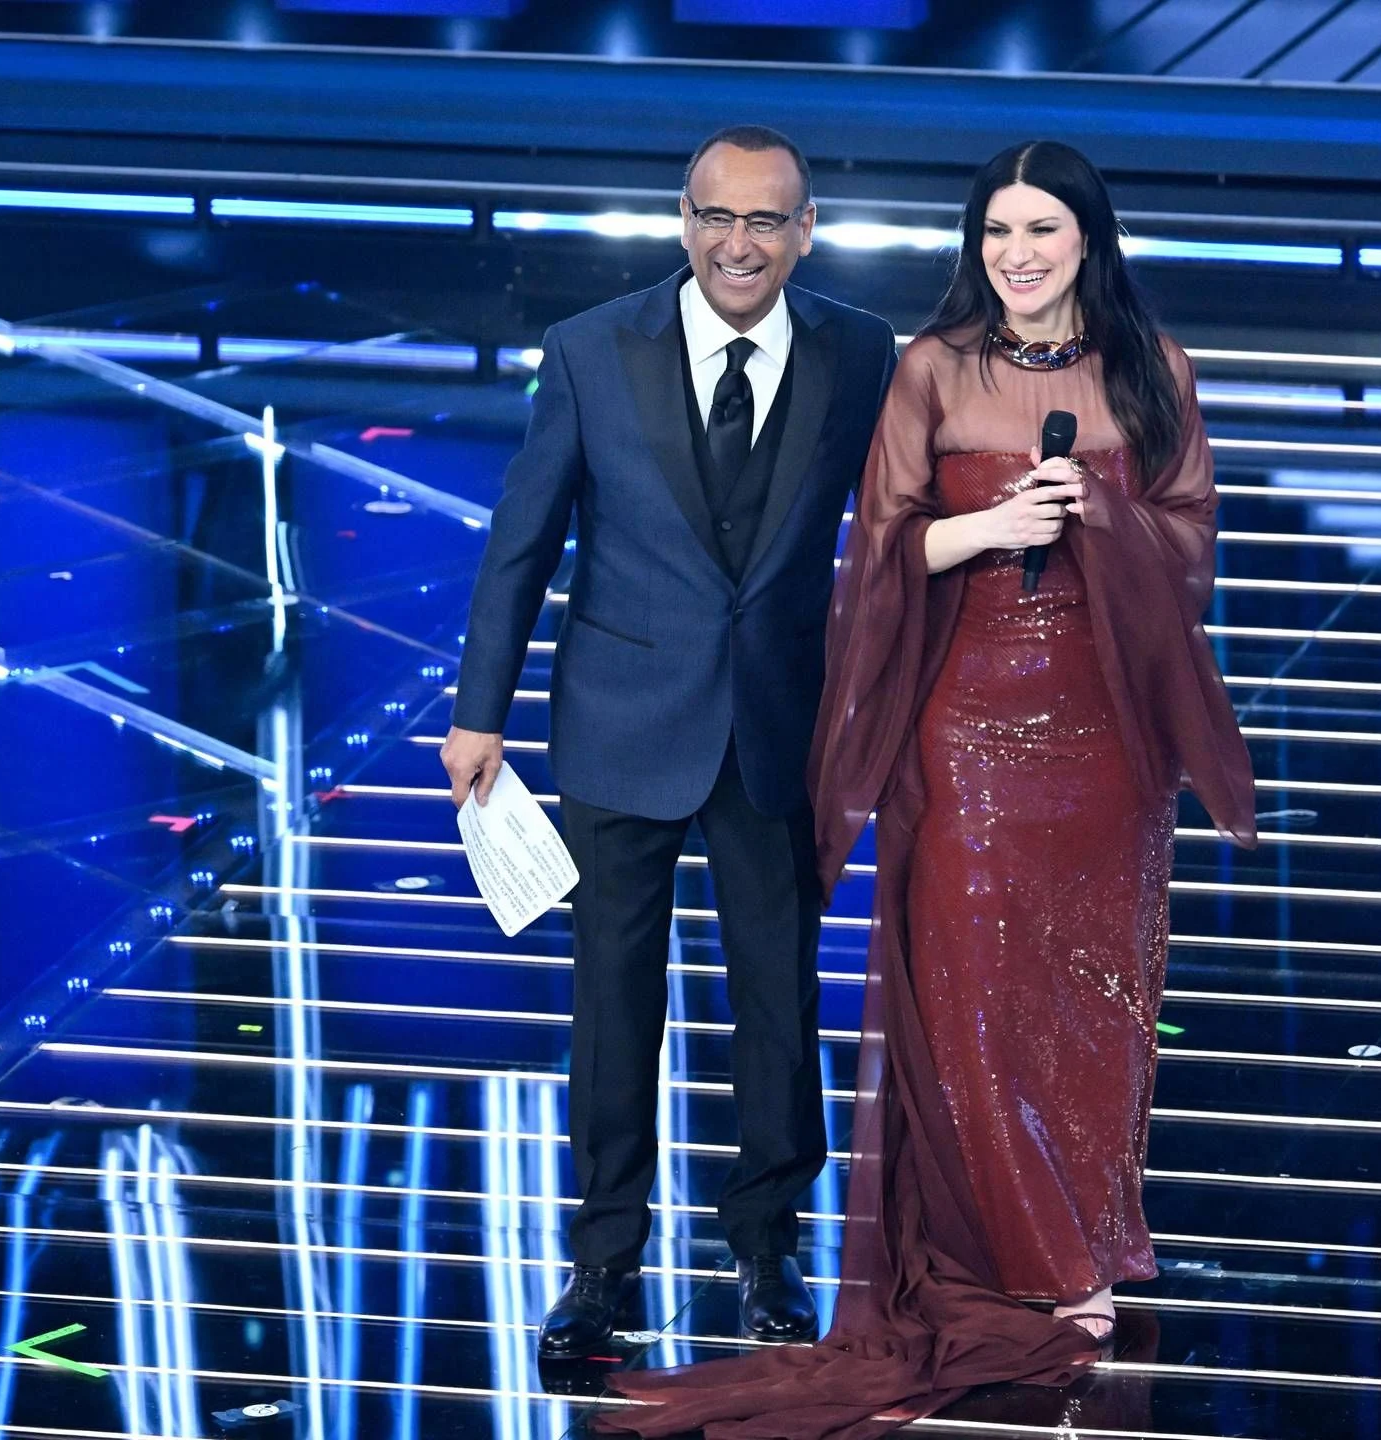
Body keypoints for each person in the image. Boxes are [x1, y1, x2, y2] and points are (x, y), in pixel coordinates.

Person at [598, 139, 1256, 1438]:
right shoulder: (933, 369)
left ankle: (1082, 1228)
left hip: (1106, 740)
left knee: (1091, 1003)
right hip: (964, 726)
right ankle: (1033, 1264)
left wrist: (1103, 518)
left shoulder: (1152, 370)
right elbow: (879, 548)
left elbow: (1190, 552)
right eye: (998, 232)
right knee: (967, 1001)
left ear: (1088, 239)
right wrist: (991, 528)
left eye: (1042, 230)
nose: (1018, 254)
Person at [440, 124, 897, 1360]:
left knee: (777, 993)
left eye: (765, 220)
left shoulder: (860, 352)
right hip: (619, 720)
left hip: (776, 722)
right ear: (683, 221)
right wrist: (479, 713)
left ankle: (767, 1243)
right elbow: (523, 541)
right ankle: (602, 1259)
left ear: (806, 232)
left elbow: (901, 527)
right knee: (612, 999)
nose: (737, 243)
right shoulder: (591, 349)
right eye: (715, 216)